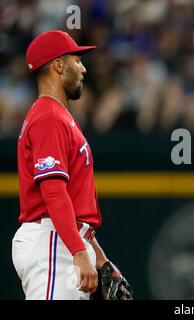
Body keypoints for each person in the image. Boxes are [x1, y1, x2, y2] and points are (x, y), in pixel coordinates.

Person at [12, 30, 113, 300]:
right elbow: (54, 192)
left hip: (62, 240)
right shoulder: (49, 118)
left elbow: (74, 202)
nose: (83, 68)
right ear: (58, 66)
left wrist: (100, 258)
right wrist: (79, 251)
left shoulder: (58, 115)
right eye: (77, 61)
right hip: (53, 242)